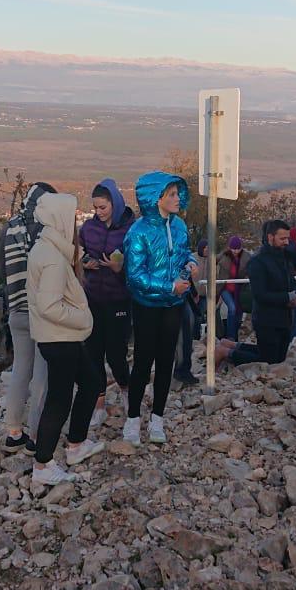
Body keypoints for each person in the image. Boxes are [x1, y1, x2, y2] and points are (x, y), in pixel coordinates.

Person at [27, 192, 102, 487]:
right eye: (72, 218)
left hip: (59, 337)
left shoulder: (48, 250)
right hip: (60, 338)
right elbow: (50, 306)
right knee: (59, 399)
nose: (76, 225)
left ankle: (76, 444)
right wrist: (84, 319)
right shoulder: (54, 259)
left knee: (91, 382)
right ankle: (43, 464)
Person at [123, 171, 196, 445]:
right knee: (142, 362)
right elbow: (134, 276)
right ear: (156, 198)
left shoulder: (178, 226)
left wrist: (190, 263)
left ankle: (157, 419)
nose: (177, 199)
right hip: (147, 307)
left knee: (166, 361)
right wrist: (169, 288)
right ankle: (132, 420)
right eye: (172, 195)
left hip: (173, 306)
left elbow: (183, 252)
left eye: (178, 194)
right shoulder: (139, 232)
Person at [0, 183, 55, 454]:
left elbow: (2, 267)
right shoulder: (43, 228)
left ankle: (13, 433)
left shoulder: (11, 227)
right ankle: (36, 436)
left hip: (16, 309)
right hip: (40, 310)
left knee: (20, 370)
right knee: (42, 374)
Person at [79, 179, 134, 427]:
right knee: (93, 352)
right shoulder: (89, 228)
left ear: (115, 202)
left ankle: (126, 388)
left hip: (118, 299)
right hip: (92, 297)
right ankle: (98, 403)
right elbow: (78, 254)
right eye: (96, 208)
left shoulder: (130, 229)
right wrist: (85, 263)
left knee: (116, 353)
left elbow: (137, 267)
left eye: (103, 207)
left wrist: (118, 268)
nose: (98, 212)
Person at [215, 220, 296, 367]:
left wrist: (294, 294)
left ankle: (232, 345)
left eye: (287, 238)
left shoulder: (285, 258)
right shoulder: (258, 262)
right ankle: (226, 352)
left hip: (284, 317)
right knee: (268, 360)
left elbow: (292, 279)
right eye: (282, 238)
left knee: (277, 357)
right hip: (266, 319)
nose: (286, 242)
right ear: (270, 237)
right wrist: (287, 297)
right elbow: (260, 294)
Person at [219, 235, 250, 342]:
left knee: (239, 312)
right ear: (229, 248)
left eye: (238, 248)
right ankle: (230, 336)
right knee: (232, 308)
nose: (235, 251)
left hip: (239, 289)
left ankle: (235, 336)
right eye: (233, 249)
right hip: (225, 288)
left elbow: (251, 268)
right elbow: (212, 261)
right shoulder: (224, 255)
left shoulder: (246, 257)